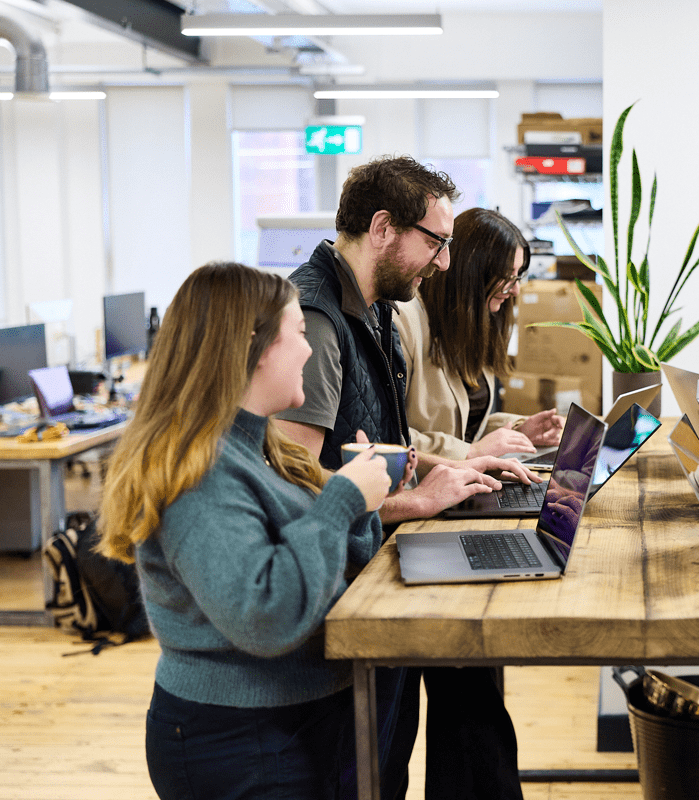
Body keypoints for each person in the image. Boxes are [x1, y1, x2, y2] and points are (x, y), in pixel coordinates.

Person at [97, 262, 412, 799]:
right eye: (298, 336)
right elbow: (265, 615)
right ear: (254, 346)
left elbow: (327, 562)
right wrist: (341, 500)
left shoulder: (260, 445)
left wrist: (361, 500)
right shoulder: (197, 472)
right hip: (237, 737)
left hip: (289, 719)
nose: (310, 351)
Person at [274, 156, 530, 800]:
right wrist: (414, 501)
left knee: (401, 753)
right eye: (436, 242)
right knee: (368, 773)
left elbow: (369, 449)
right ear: (384, 228)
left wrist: (441, 471)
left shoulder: (377, 309)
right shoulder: (318, 320)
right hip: (334, 594)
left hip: (373, 569)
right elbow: (292, 491)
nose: (445, 262)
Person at [395, 206, 564, 459]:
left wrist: (520, 431)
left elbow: (464, 426)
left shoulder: (471, 325)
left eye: (518, 277)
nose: (515, 290)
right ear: (471, 274)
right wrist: (471, 452)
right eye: (508, 277)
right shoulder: (403, 322)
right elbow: (388, 437)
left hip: (464, 483)